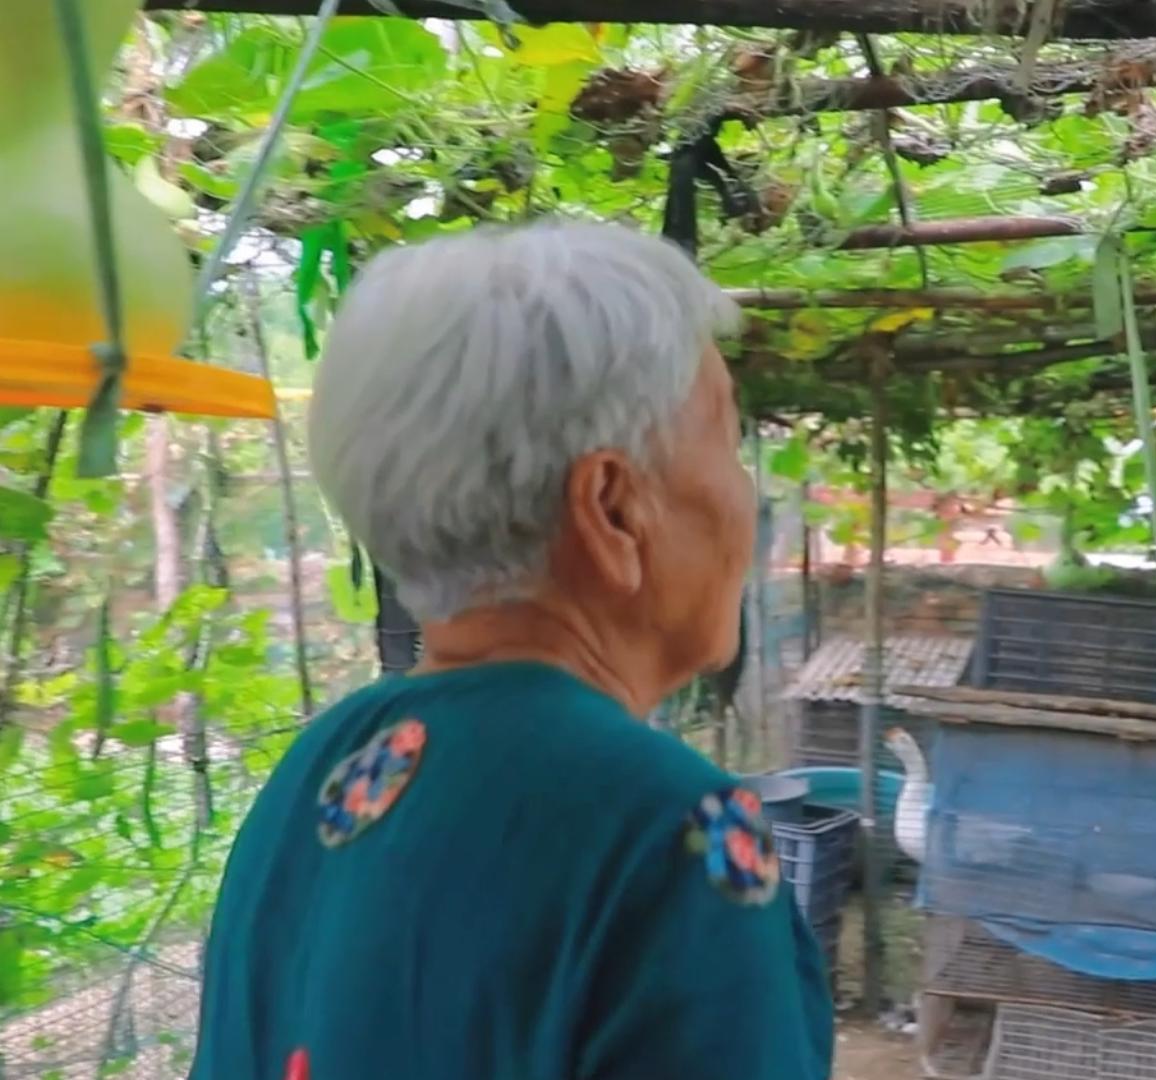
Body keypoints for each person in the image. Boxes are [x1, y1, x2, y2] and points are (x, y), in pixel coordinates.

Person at [190, 220, 834, 1080]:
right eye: (727, 443)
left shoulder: (322, 766)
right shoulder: (674, 832)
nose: (745, 495)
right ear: (611, 508)